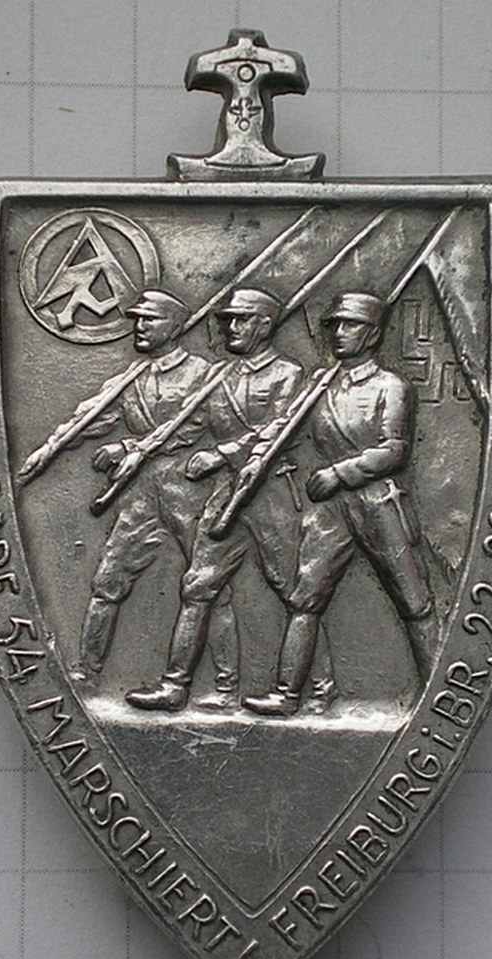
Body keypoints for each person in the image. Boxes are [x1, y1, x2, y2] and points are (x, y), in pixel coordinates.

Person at [126, 286, 335, 712]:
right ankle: (175, 686)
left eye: (241, 319)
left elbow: (283, 429)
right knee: (197, 585)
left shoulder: (288, 374)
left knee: (294, 591)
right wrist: (136, 448)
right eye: (227, 320)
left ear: (265, 324)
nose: (231, 327)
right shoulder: (220, 375)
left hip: (271, 492)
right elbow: (187, 426)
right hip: (227, 493)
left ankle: (321, 686)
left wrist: (222, 453)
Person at [244, 291, 439, 717]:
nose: (338, 332)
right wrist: (258, 458)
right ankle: (287, 693)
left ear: (372, 334)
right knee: (304, 598)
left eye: (350, 324)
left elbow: (395, 450)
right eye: (334, 324)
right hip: (330, 511)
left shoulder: (391, 386)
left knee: (414, 599)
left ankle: (436, 689)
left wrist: (339, 473)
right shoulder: (321, 383)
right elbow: (286, 428)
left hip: (377, 503)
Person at [72, 288, 238, 694]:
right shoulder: (132, 377)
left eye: (150, 319)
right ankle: (86, 672)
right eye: (137, 319)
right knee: (107, 579)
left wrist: (130, 446)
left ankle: (225, 683)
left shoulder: (204, 373)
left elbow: (198, 427)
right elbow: (95, 417)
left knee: (208, 586)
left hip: (191, 488)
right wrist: (67, 438)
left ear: (176, 326)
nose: (140, 326)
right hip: (140, 491)